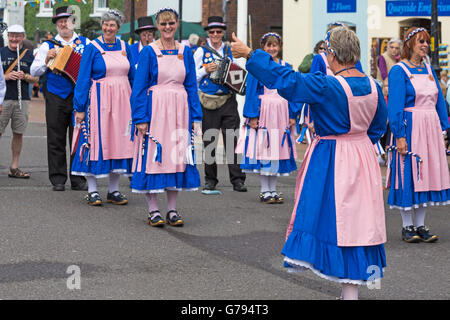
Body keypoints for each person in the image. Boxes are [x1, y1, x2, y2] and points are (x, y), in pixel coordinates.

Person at [231, 26, 388, 300]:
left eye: (326, 52)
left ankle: (348, 293)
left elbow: (286, 80)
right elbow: (378, 127)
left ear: (332, 54)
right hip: (364, 155)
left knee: (334, 222)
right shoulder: (373, 85)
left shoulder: (327, 85)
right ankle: (350, 292)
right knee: (359, 223)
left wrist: (249, 54)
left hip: (333, 156)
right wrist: (358, 139)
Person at [130, 7, 202, 227]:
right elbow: (139, 88)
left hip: (180, 110)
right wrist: (140, 117)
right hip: (156, 110)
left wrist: (195, 116)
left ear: (177, 24)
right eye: (163, 24)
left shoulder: (185, 51)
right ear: (157, 26)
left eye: (171, 23)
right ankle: (153, 210)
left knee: (176, 158)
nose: (168, 27)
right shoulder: (149, 52)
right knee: (154, 156)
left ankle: (172, 209)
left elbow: (191, 85)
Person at [386, 27, 450, 243]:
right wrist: (400, 135)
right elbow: (394, 105)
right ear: (410, 44)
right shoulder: (399, 71)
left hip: (430, 128)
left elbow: (439, 100)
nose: (424, 45)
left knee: (426, 173)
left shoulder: (429, 69)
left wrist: (444, 128)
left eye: (426, 42)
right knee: (409, 172)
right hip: (411, 126)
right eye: (421, 41)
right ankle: (407, 226)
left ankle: (421, 225)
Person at [70, 9, 135, 206]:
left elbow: (133, 77)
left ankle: (113, 191)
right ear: (102, 26)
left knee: (119, 142)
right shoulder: (93, 47)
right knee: (96, 141)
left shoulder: (125, 47)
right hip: (99, 101)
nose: (108, 28)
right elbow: (82, 79)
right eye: (105, 24)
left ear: (118, 27)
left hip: (123, 102)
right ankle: (92, 191)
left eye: (112, 25)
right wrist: (79, 107)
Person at [236, 32, 299, 204]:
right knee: (265, 149)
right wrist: (253, 116)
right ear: (263, 47)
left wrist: (293, 114)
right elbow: (251, 92)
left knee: (277, 150)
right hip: (265, 111)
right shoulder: (257, 67)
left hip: (281, 111)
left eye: (275, 45)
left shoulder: (286, 66)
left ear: (280, 47)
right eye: (268, 45)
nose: (272, 48)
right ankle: (265, 190)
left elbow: (293, 90)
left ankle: (273, 189)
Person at [30, 6, 89, 191]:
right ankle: (58, 179)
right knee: (55, 137)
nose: (64, 24)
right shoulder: (48, 46)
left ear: (73, 22)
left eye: (67, 20)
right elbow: (33, 71)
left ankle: (78, 178)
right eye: (60, 21)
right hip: (56, 95)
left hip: (79, 96)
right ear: (57, 25)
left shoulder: (86, 43)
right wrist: (46, 59)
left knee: (79, 136)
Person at [194, 16, 247, 194]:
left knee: (231, 140)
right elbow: (191, 77)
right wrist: (204, 70)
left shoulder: (231, 50)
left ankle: (237, 180)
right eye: (212, 31)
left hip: (228, 99)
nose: (216, 34)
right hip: (208, 101)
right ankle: (210, 180)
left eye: (219, 31)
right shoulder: (201, 52)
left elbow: (240, 73)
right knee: (210, 141)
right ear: (208, 33)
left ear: (223, 32)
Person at [0, 25, 39, 179]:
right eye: (11, 36)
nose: (14, 39)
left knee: (18, 133)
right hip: (3, 99)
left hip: (22, 99)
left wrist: (25, 76)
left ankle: (14, 167)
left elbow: (36, 78)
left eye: (17, 36)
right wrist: (6, 76)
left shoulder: (29, 56)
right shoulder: (1, 53)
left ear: (23, 37)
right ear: (7, 36)